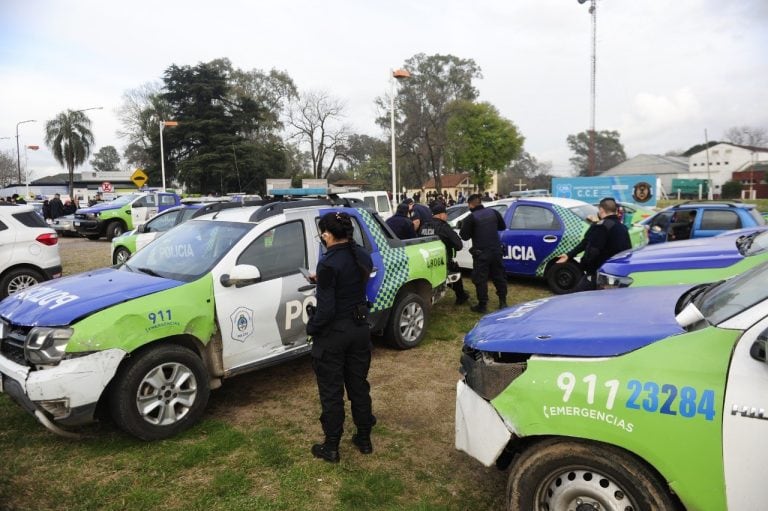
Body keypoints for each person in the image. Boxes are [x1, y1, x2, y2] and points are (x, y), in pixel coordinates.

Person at [306, 211, 375, 463]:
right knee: (358, 386)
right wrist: (322, 280)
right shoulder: (362, 256)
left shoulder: (328, 263)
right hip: (359, 330)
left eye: (322, 234)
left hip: (334, 334)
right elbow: (350, 283)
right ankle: (364, 439)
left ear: (327, 235)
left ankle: (331, 446)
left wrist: (312, 327)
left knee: (332, 392)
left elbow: (326, 310)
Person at [556, 197, 631, 291]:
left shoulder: (601, 227)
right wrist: (569, 255)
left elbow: (591, 249)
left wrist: (583, 265)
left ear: (601, 210)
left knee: (578, 297)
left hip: (599, 274)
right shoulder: (622, 227)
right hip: (617, 274)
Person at [459, 193, 508, 312]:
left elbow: (464, 236)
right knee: (499, 276)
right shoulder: (493, 213)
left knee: (480, 279)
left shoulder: (471, 218)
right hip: (496, 251)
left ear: (470, 205)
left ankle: (482, 305)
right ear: (480, 202)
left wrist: (464, 227)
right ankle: (503, 302)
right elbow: (502, 227)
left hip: (481, 253)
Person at [419, 203, 470, 305]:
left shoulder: (424, 226)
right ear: (440, 214)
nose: (446, 216)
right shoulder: (443, 227)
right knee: (454, 271)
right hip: (441, 260)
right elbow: (458, 245)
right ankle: (461, 296)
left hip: (424, 261)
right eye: (445, 214)